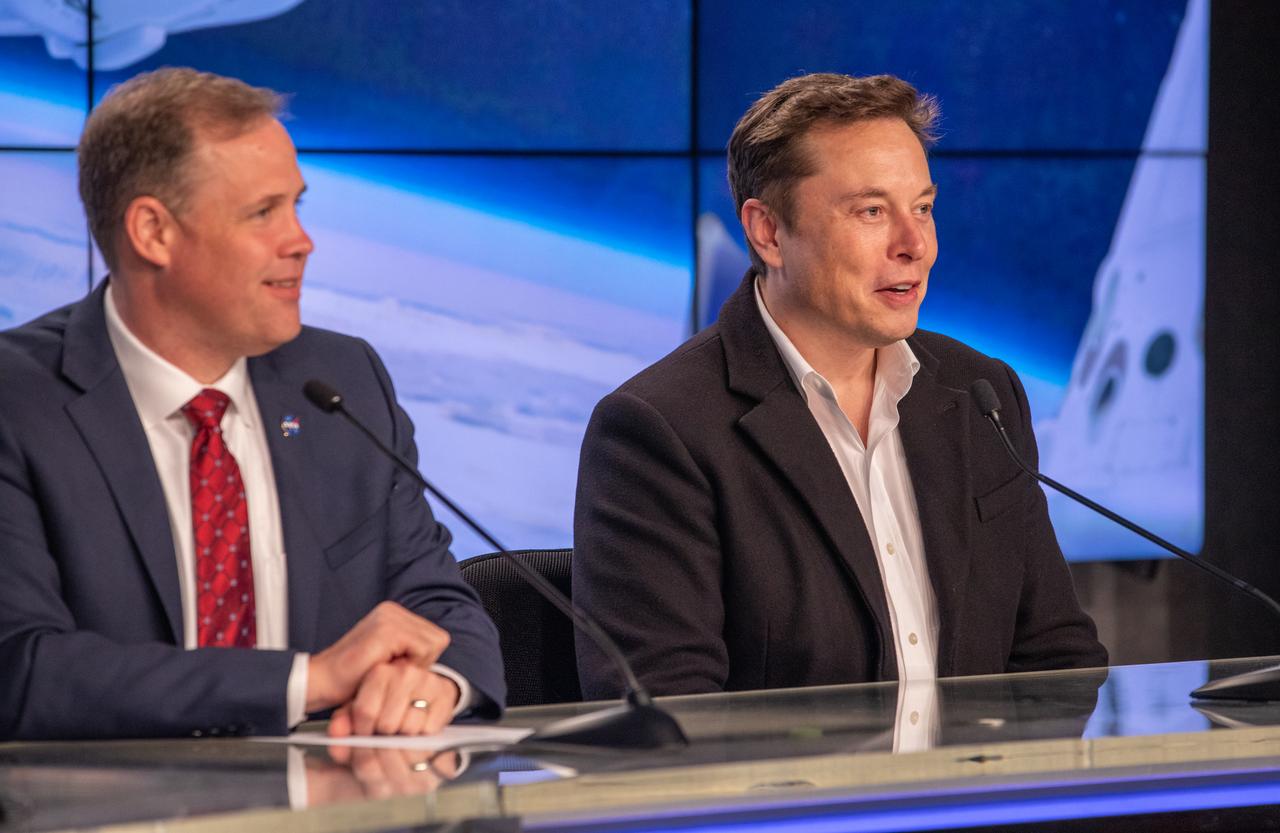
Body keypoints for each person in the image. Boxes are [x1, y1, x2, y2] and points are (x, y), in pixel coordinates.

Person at [0, 68, 504, 740]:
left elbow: (442, 606)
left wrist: (430, 684)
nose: (301, 240)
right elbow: (21, 667)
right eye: (263, 212)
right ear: (154, 231)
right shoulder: (17, 401)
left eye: (298, 205)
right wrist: (307, 680)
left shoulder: (342, 379)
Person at [573, 73, 1107, 699]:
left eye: (924, 208)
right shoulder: (659, 429)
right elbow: (669, 716)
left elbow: (1058, 659)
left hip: (971, 794)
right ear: (768, 232)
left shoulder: (982, 394)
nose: (916, 246)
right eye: (871, 212)